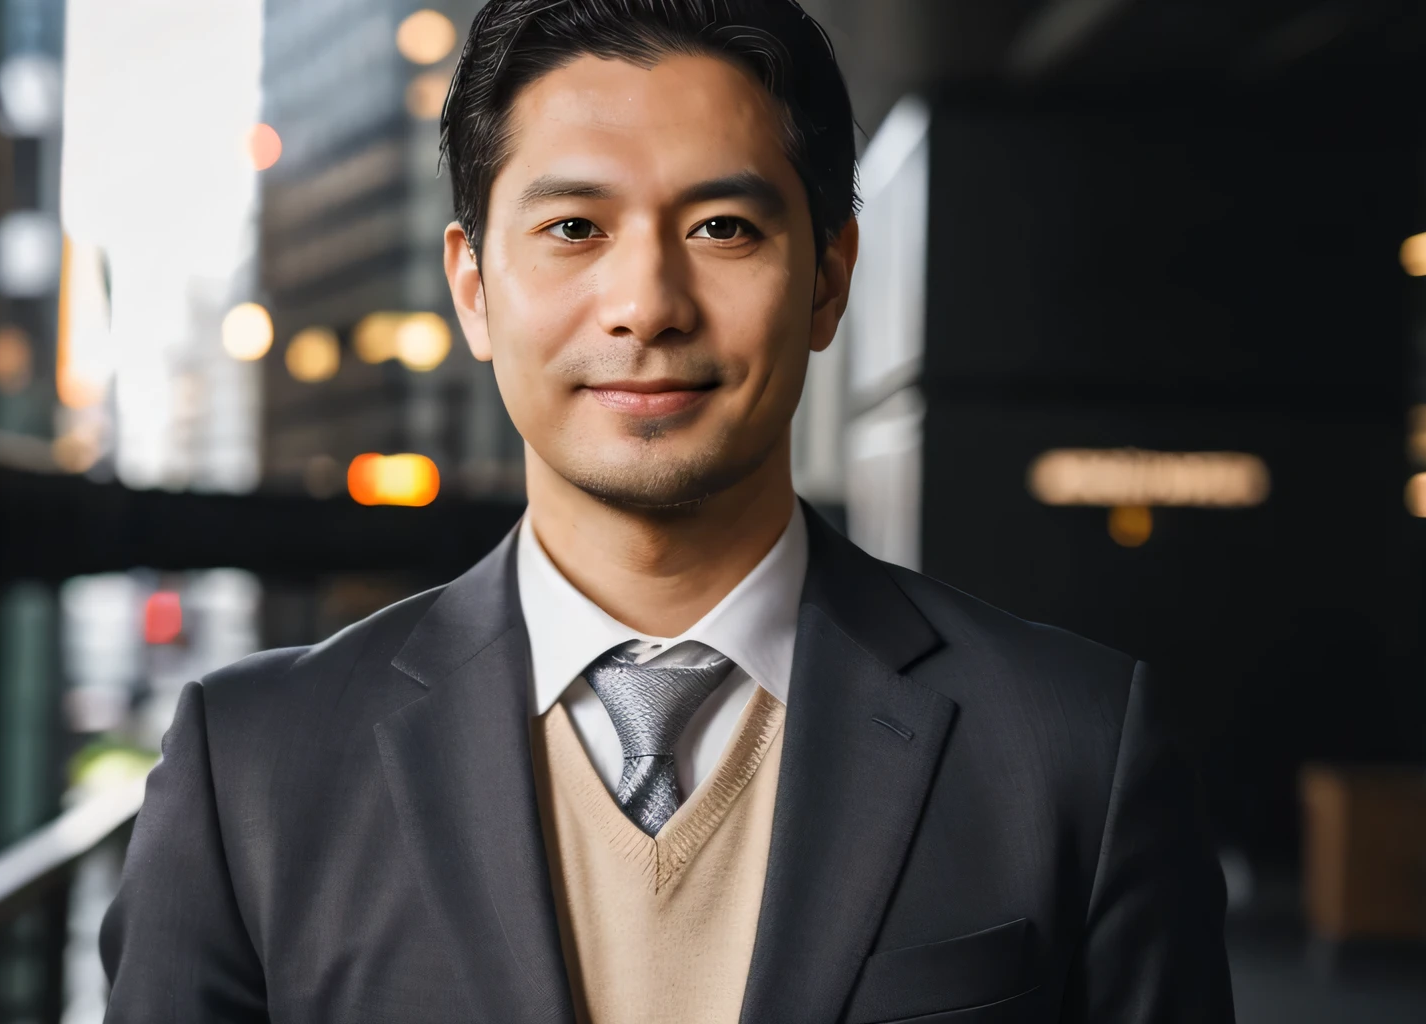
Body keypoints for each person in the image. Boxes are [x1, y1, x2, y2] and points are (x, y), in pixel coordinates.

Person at [100, 1, 1234, 1021]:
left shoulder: (1073, 749)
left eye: (723, 229)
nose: (646, 305)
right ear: (473, 287)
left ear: (831, 278)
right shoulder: (251, 771)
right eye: (575, 230)